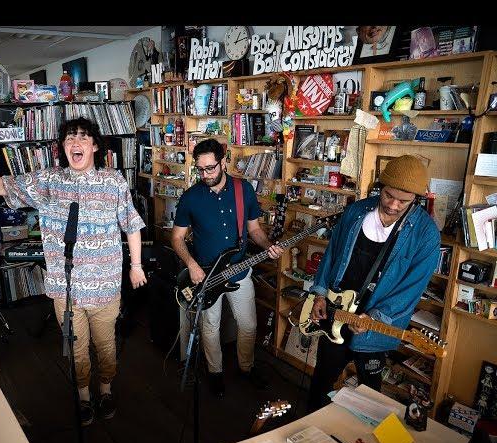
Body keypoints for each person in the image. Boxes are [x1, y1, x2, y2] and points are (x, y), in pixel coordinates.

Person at [0, 117, 147, 426]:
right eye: (70, 138)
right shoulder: (49, 180)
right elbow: (5, 185)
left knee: (106, 345)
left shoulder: (113, 181)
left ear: (95, 146)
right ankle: (84, 398)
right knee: (76, 347)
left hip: (106, 286)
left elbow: (132, 224)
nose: (76, 143)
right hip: (65, 287)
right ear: (62, 147)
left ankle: (106, 390)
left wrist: (136, 266)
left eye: (83, 138)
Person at [306, 155, 440, 412]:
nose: (393, 204)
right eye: (388, 195)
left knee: (370, 395)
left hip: (374, 324)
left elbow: (412, 288)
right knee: (322, 381)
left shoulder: (426, 234)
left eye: (404, 200)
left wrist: (376, 316)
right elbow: (332, 254)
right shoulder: (356, 211)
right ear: (381, 186)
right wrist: (320, 294)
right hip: (336, 310)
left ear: (417, 198)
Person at [171, 139, 283, 398]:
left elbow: (254, 230)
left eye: (210, 168)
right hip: (206, 276)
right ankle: (215, 372)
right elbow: (176, 238)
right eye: (200, 169)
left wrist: (268, 245)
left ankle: (246, 367)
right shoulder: (190, 197)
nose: (205, 174)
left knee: (248, 325)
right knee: (210, 327)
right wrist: (192, 264)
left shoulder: (243, 190)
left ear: (223, 162)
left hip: (240, 271)